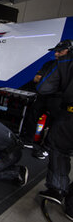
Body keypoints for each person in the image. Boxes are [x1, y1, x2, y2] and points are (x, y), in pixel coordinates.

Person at [35, 40, 73, 216]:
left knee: (58, 149)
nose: (56, 54)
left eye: (59, 51)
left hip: (69, 115)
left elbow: (43, 87)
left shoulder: (64, 63)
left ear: (66, 51)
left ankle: (57, 189)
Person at [22, 51, 65, 159]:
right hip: (43, 95)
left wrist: (47, 80)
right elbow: (36, 78)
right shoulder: (49, 64)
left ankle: (47, 148)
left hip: (58, 99)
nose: (56, 53)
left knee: (55, 124)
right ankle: (28, 140)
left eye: (60, 51)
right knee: (33, 114)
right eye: (56, 51)